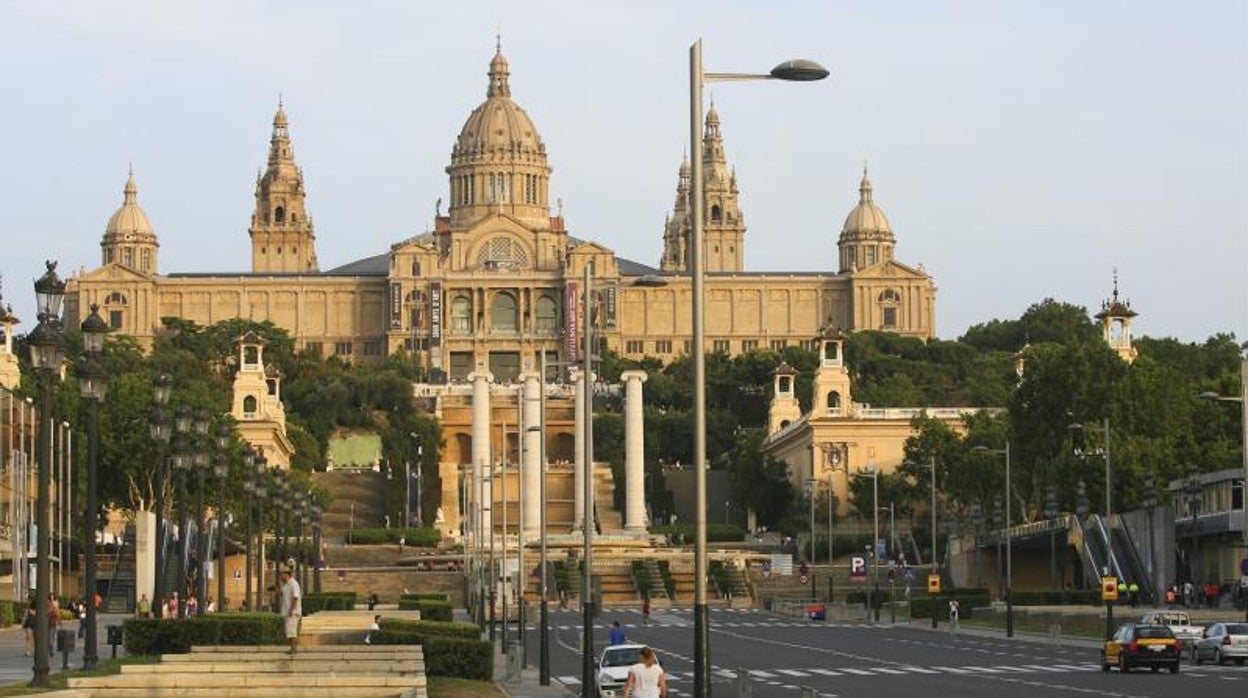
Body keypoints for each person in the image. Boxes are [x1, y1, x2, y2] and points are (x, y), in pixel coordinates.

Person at [280, 568, 302, 654]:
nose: (281, 576)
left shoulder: (294, 584)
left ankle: (293, 649)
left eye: (283, 574)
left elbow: (295, 597)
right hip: (286, 611)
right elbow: (284, 595)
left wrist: (291, 610)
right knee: (288, 631)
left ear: (287, 574)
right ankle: (292, 648)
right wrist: (278, 592)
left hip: (292, 612)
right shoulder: (286, 585)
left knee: (292, 631)